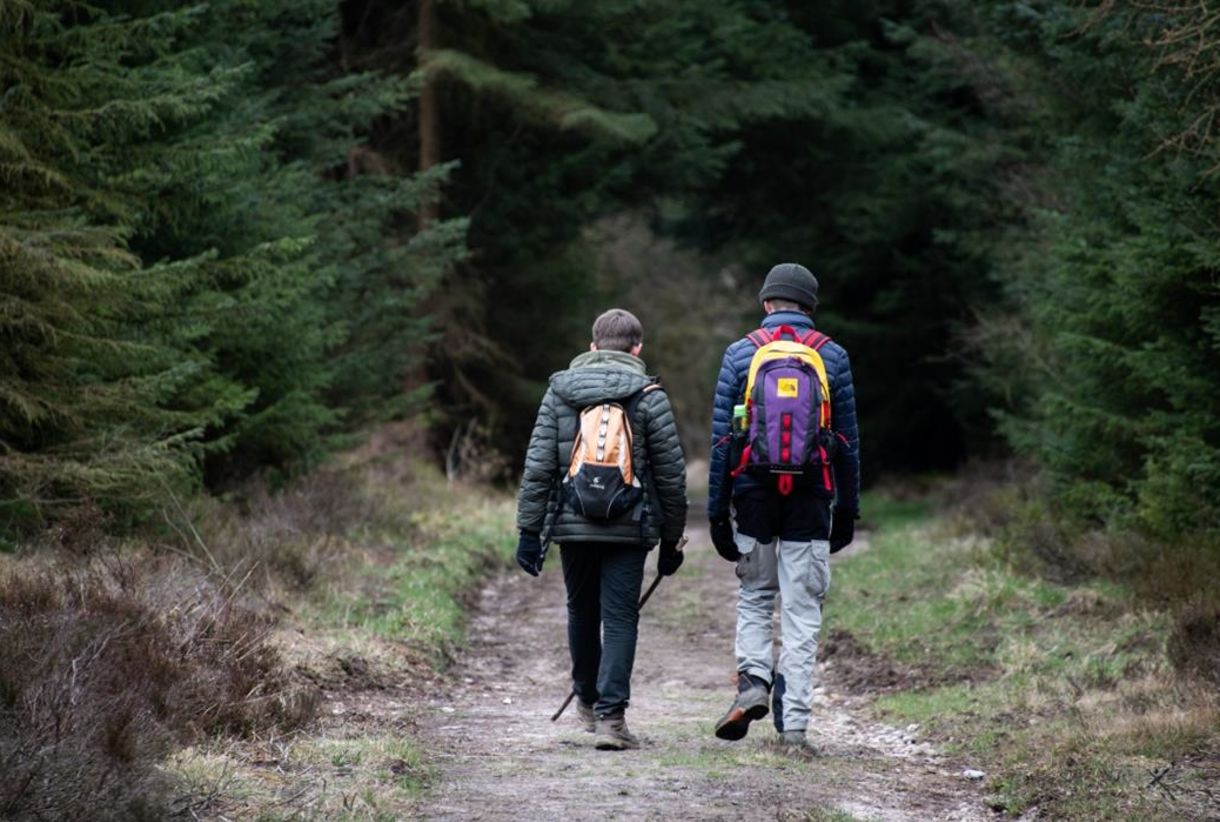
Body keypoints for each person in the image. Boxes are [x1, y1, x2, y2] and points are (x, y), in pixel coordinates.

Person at [515, 308, 688, 751]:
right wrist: (671, 540)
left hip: (572, 525)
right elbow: (670, 478)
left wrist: (529, 532)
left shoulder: (560, 393)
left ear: (592, 347)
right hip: (629, 528)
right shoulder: (650, 397)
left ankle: (587, 705)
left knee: (581, 611)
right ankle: (612, 721)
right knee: (620, 618)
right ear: (637, 350)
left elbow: (537, 469)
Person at [706, 263, 860, 750]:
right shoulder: (832, 356)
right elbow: (848, 443)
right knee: (801, 609)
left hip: (753, 495)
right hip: (811, 499)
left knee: (755, 596)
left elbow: (720, 442)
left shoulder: (740, 353)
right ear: (810, 306)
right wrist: (847, 511)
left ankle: (753, 683)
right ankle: (793, 728)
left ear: (766, 303)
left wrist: (716, 512)